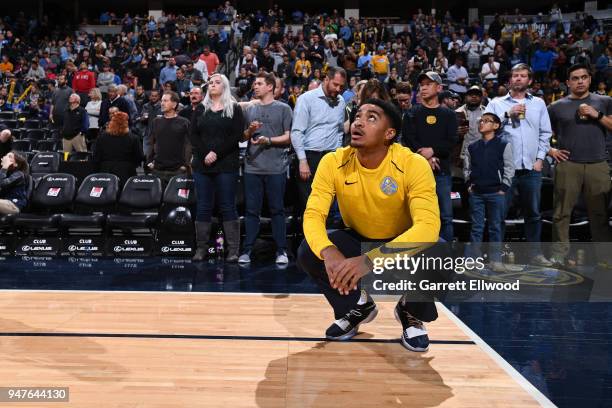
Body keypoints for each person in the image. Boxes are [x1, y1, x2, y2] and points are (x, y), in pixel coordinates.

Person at [297, 98, 440, 351]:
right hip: (358, 238)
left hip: (401, 242)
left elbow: (428, 227)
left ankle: (410, 309)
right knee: (309, 251)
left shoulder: (413, 164)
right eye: (358, 116)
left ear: (389, 133)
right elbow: (312, 215)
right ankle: (357, 306)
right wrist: (328, 252)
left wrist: (370, 261)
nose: (359, 122)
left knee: (438, 251)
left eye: (371, 117)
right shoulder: (333, 161)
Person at [485, 63, 553, 266]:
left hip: (532, 169)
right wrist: (507, 115)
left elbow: (545, 134)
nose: (518, 78)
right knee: (499, 215)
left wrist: (540, 159)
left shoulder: (539, 103)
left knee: (533, 213)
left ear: (529, 81)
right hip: (504, 170)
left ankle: (535, 254)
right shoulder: (496, 104)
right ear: (510, 79)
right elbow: (485, 128)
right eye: (515, 75)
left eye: (523, 75)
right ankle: (496, 258)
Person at [547, 63, 612, 266]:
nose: (580, 81)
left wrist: (597, 115)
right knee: (561, 213)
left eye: (584, 77)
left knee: (600, 213)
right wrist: (551, 151)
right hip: (568, 164)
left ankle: (605, 258)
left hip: (598, 164)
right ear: (568, 82)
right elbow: (542, 135)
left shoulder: (605, 101)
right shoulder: (556, 107)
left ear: (590, 79)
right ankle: (559, 255)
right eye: (575, 78)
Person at [190, 74, 245, 262]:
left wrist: (216, 153)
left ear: (225, 86)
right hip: (202, 164)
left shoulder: (234, 108)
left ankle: (233, 251)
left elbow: (236, 135)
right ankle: (201, 249)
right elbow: (193, 135)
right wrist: (207, 153)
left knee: (227, 206)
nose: (212, 85)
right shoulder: (200, 109)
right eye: (210, 83)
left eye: (217, 82)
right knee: (203, 206)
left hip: (226, 163)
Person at [239, 73, 293, 265]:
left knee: (277, 210)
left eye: (259, 84)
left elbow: (289, 137)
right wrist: (251, 131)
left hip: (275, 168)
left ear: (270, 87)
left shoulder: (284, 109)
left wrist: (268, 140)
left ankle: (281, 250)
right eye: (255, 84)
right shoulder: (250, 109)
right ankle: (247, 250)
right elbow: (243, 137)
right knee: (251, 211)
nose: (255, 86)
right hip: (252, 168)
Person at [402, 71, 457, 242]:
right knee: (415, 216)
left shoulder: (448, 115)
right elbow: (408, 139)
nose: (423, 88)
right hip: (416, 173)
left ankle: (445, 258)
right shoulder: (412, 113)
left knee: (445, 216)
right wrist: (424, 156)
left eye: (428, 84)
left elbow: (451, 141)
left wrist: (432, 151)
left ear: (439, 88)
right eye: (422, 85)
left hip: (441, 172)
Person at [464, 113, 519, 272]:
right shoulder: (472, 146)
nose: (482, 123)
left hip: (496, 192)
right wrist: (469, 185)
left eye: (487, 121)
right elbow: (467, 168)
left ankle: (496, 260)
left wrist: (504, 188)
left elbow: (509, 168)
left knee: (495, 226)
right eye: (481, 120)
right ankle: (474, 260)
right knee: (476, 227)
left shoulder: (503, 144)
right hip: (477, 193)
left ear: (496, 126)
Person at [291, 67, 347, 218]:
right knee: (309, 206)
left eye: (341, 86)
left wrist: (337, 154)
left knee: (327, 206)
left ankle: (325, 240)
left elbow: (339, 130)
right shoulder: (306, 99)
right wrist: (302, 160)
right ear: (326, 79)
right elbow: (296, 132)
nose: (338, 89)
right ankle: (308, 241)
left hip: (330, 158)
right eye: (335, 84)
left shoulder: (341, 101)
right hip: (309, 157)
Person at [147, 91, 191, 186]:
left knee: (176, 201)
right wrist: (150, 161)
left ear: (174, 104)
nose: (162, 103)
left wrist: (185, 165)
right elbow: (151, 142)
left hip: (178, 170)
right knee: (156, 200)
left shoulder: (184, 122)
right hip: (157, 169)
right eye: (162, 100)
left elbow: (189, 145)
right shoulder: (156, 121)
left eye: (166, 101)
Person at [92, 112, 143, 187]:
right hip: (126, 171)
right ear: (126, 123)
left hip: (106, 170)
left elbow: (96, 156)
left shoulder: (102, 137)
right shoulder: (133, 138)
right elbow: (139, 156)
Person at [457, 85, 487, 161]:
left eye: (477, 95)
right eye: (471, 94)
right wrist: (456, 132)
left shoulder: (487, 112)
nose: (474, 96)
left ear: (481, 98)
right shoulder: (457, 113)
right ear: (466, 97)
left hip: (482, 152)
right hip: (462, 153)